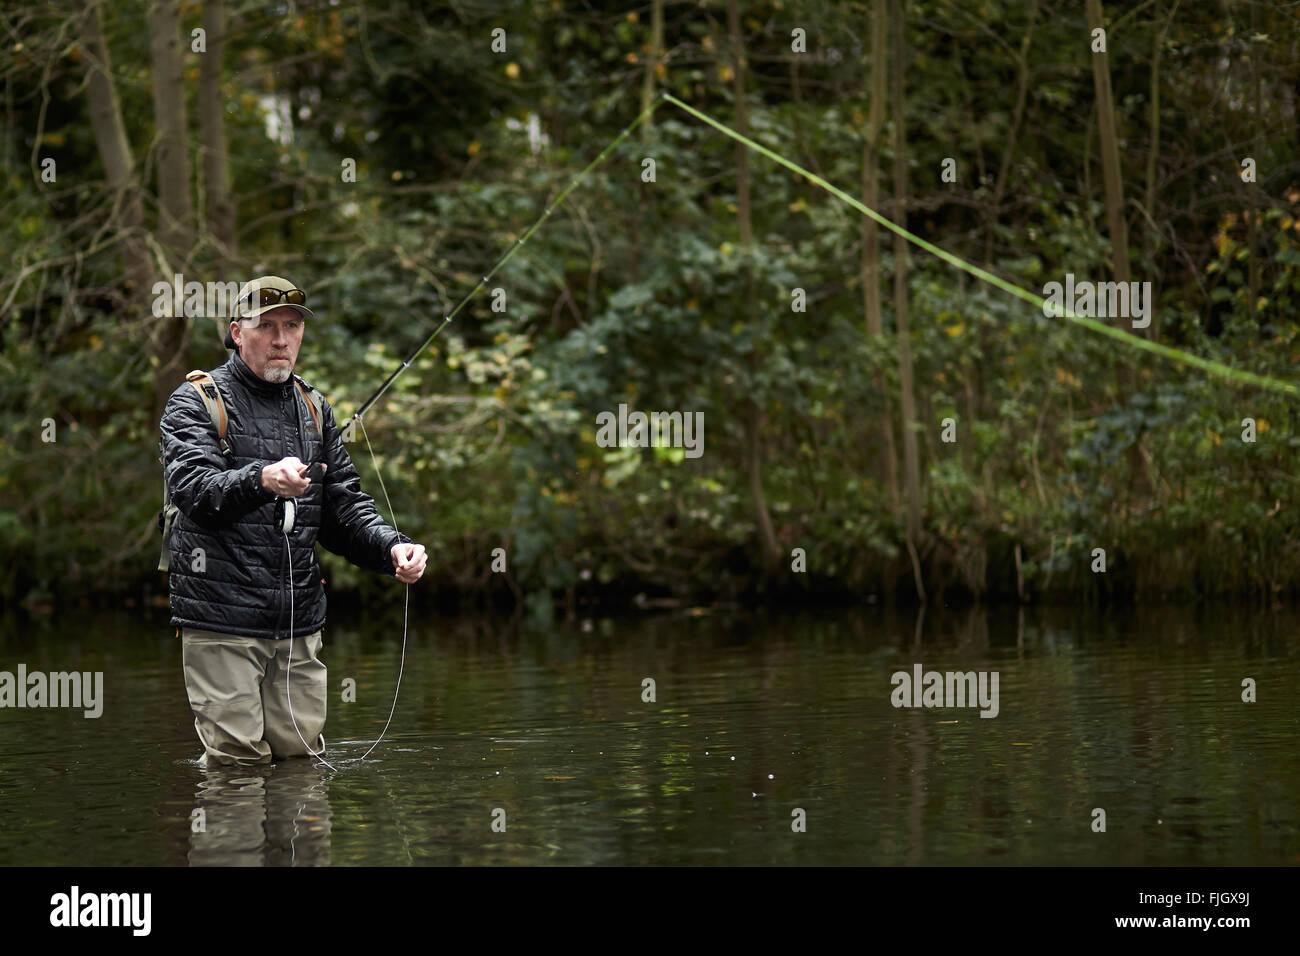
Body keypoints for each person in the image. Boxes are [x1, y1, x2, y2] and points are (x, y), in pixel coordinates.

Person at [159, 275, 427, 768]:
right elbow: (196, 492)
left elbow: (343, 510)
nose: (281, 339)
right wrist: (261, 479)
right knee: (237, 767)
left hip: (297, 620)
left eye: (291, 326)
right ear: (237, 332)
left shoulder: (314, 409)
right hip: (221, 619)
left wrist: (392, 547)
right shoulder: (195, 402)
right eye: (266, 326)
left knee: (302, 767)